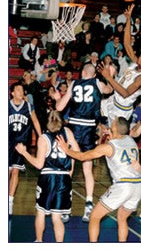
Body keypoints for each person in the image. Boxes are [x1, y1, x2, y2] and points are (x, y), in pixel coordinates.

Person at [56, 116, 141, 242]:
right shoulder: (131, 140)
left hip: (124, 185)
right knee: (122, 218)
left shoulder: (108, 147)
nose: (110, 125)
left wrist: (66, 149)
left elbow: (82, 156)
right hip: (138, 185)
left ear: (115, 128)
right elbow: (121, 138)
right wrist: (112, 135)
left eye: (112, 124)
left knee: (95, 217)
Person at [53, 63, 113, 222]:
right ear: (94, 75)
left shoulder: (73, 84)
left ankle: (65, 207)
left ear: (81, 73)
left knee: (69, 169)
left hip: (73, 129)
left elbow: (59, 107)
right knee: (87, 169)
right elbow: (111, 89)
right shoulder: (98, 84)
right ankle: (88, 206)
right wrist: (110, 75)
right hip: (88, 131)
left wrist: (58, 98)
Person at [15, 110, 80, 242]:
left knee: (41, 212)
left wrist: (24, 153)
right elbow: (77, 152)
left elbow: (39, 165)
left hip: (48, 177)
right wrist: (71, 168)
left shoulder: (43, 138)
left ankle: (39, 241)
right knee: (57, 217)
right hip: (63, 177)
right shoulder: (67, 132)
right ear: (61, 121)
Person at [98, 4, 141, 127]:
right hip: (112, 100)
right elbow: (126, 44)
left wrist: (108, 77)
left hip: (121, 110)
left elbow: (125, 93)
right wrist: (128, 19)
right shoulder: (136, 63)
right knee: (98, 125)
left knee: (113, 137)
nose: (140, 54)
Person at [9, 82, 42, 215]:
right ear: (12, 93)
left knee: (15, 171)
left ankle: (10, 201)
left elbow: (35, 121)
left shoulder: (28, 106)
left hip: (20, 144)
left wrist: (41, 137)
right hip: (7, 143)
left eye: (22, 90)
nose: (21, 92)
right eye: (18, 90)